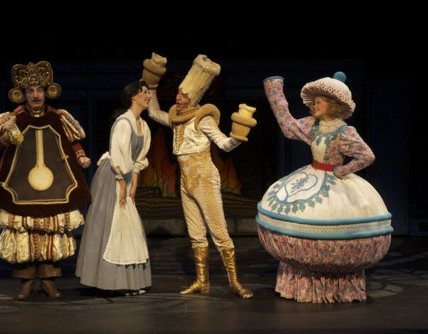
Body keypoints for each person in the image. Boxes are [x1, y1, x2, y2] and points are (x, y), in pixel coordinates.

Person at [259, 73, 392, 302]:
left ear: (333, 104)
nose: (314, 106)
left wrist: (343, 170)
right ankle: (305, 282)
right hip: (311, 174)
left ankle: (337, 286)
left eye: (319, 102)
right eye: (314, 102)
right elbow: (288, 126)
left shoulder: (343, 132)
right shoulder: (313, 125)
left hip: (333, 181)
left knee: (334, 226)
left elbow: (367, 155)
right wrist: (275, 91)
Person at [143, 53, 254, 299]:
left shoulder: (202, 120)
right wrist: (152, 86)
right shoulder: (175, 119)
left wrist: (238, 136)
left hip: (204, 176)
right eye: (178, 93)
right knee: (195, 231)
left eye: (183, 95)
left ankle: (235, 282)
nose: (178, 98)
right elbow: (152, 112)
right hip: (186, 179)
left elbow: (224, 145)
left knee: (218, 230)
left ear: (193, 98)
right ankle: (202, 281)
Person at [0, 61, 91, 299]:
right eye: (30, 91)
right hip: (21, 187)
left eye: (39, 90)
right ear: (22, 94)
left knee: (50, 232)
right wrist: (7, 133)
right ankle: (26, 281)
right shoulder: (14, 118)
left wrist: (81, 156)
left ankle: (48, 280)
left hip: (54, 186)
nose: (35, 95)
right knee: (24, 232)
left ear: (46, 92)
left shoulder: (57, 117)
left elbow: (72, 142)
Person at [75, 80, 152, 296]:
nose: (148, 96)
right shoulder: (123, 122)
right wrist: (122, 183)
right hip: (112, 177)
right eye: (144, 92)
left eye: (148, 92)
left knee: (129, 226)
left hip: (127, 176)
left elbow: (138, 160)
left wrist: (134, 182)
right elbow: (119, 155)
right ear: (133, 97)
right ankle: (110, 280)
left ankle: (129, 280)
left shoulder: (143, 126)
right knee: (112, 223)